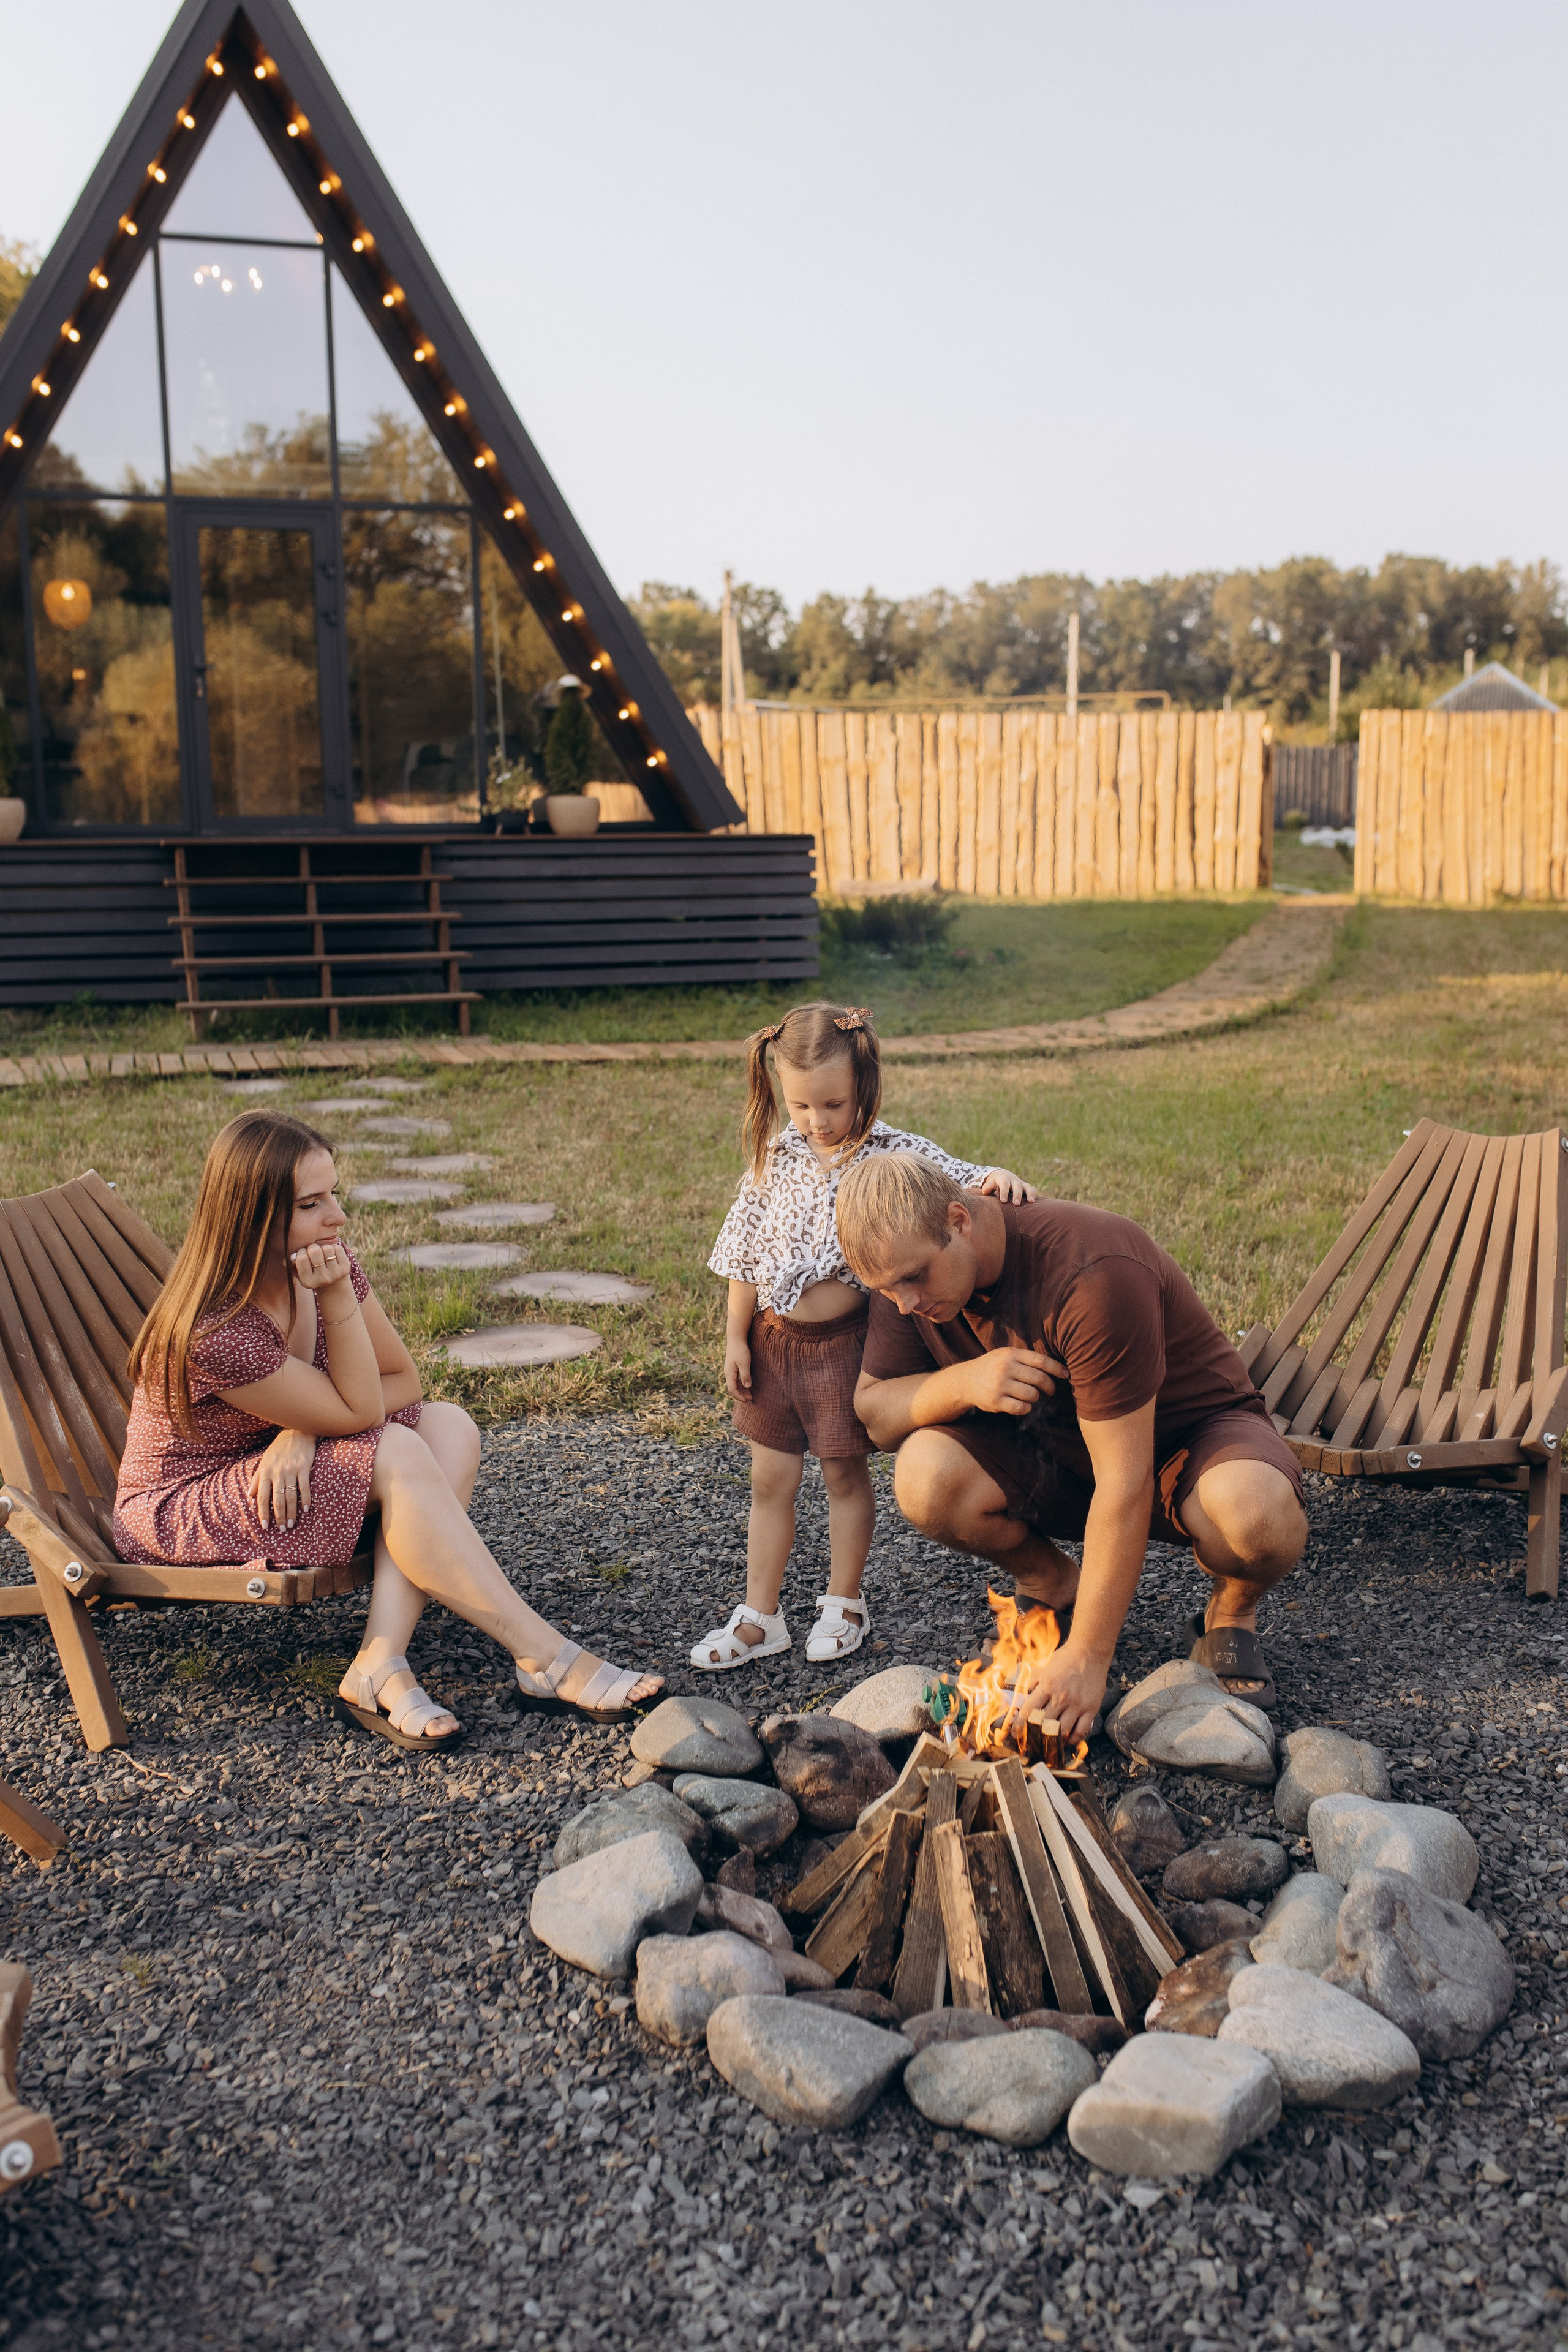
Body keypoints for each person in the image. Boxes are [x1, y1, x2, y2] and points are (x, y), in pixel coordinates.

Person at [114, 1111, 662, 1749]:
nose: (338, 1217)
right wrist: (323, 1383)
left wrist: (304, 1430)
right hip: (183, 1505)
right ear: (252, 1219)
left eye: (335, 1193)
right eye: (312, 1204)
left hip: (274, 1463)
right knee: (397, 1448)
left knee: (449, 1426)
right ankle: (545, 1656)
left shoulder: (321, 1261)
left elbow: (403, 1382)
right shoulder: (217, 1330)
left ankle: (380, 1660)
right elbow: (359, 1413)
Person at [837, 1152, 1307, 1741]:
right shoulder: (903, 1278)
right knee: (924, 1475)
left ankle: (1230, 1612)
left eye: (914, 1278)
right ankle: (1051, 1583)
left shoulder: (1091, 1273)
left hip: (1185, 1444)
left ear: (959, 1220)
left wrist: (1088, 1654)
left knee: (1256, 1515)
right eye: (886, 1290)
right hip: (1057, 1451)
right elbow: (876, 1415)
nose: (906, 1303)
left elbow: (1125, 1481)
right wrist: (962, 1383)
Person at [698, 1002, 1036, 1673]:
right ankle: (761, 1614)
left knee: (843, 1476)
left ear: (864, 1086)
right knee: (770, 1479)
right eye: (801, 1105)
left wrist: (995, 1177)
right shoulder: (774, 1156)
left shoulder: (890, 1152)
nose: (817, 1121)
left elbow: (956, 1180)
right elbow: (744, 1252)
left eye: (833, 1104)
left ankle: (843, 1602)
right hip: (773, 1342)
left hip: (842, 1350)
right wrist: (736, 1336)